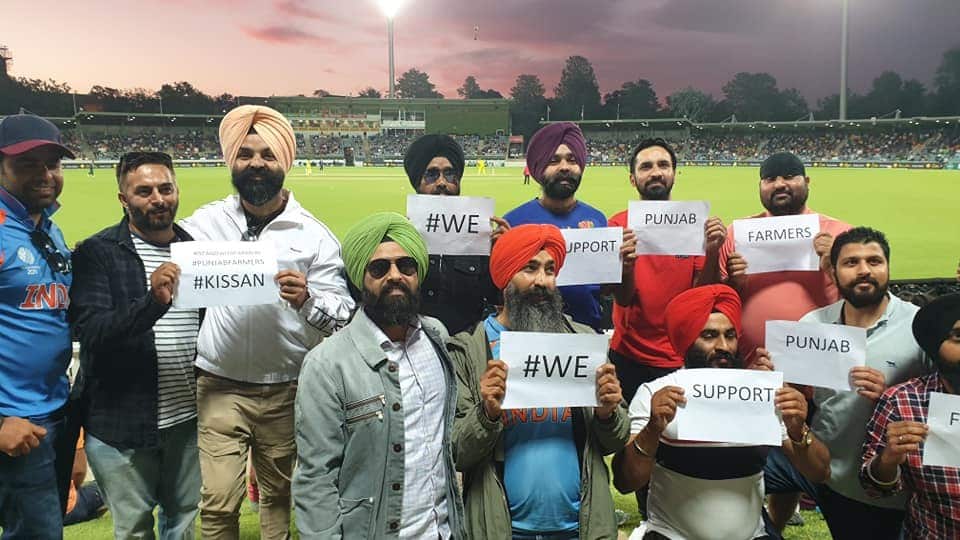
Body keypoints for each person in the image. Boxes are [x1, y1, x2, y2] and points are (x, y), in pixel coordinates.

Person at [179, 105, 355, 539]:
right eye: (245, 154)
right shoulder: (205, 223)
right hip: (218, 383)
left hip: (285, 387)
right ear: (232, 162)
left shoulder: (314, 234)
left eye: (267, 154)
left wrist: (309, 300)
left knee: (278, 496)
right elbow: (158, 254)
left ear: (284, 162)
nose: (256, 163)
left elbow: (343, 315)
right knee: (217, 501)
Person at [449, 224, 629, 539]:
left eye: (550, 270)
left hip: (580, 528)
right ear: (505, 277)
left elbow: (614, 441)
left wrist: (607, 413)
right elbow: (457, 453)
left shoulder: (583, 342)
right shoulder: (469, 350)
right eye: (529, 268)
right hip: (502, 530)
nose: (542, 281)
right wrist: (486, 414)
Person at [293, 212, 465, 539]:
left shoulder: (437, 338)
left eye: (406, 266)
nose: (395, 276)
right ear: (360, 279)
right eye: (379, 268)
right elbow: (315, 479)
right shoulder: (327, 365)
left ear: (419, 273)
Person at [612, 284, 831, 540]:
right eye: (709, 336)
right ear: (686, 340)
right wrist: (652, 429)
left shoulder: (760, 394)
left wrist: (798, 428)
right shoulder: (656, 393)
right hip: (672, 535)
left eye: (730, 335)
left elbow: (820, 472)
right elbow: (625, 482)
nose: (723, 346)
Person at [762, 227, 927, 538]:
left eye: (874, 261)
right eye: (851, 262)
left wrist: (891, 396)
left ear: (888, 267)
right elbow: (791, 391)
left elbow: (946, 400)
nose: (864, 270)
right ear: (833, 272)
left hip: (891, 486)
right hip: (826, 470)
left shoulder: (919, 326)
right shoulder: (813, 324)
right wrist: (772, 374)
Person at [69, 151, 201, 538]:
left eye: (165, 188)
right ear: (123, 199)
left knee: (183, 521)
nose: (158, 199)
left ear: (177, 191)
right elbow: (90, 331)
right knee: (133, 530)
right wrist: (152, 303)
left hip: (186, 420)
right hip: (119, 424)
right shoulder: (97, 253)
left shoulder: (194, 249)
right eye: (144, 191)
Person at [0, 114, 76, 539]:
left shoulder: (46, 227)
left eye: (53, 163)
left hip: (51, 412)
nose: (45, 174)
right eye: (28, 164)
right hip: (15, 421)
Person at [608, 137, 726, 402]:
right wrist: (626, 266)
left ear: (674, 173)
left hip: (680, 354)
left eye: (663, 165)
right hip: (628, 354)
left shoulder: (695, 224)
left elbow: (702, 296)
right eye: (646, 166)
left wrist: (713, 251)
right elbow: (623, 299)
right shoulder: (618, 226)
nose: (656, 172)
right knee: (626, 424)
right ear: (633, 179)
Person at [720, 152, 852, 362]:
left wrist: (833, 265)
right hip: (751, 364)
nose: (780, 184)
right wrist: (734, 283)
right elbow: (717, 301)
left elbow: (865, 301)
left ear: (807, 181)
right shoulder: (736, 234)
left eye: (789, 176)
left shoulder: (840, 234)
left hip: (822, 362)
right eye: (770, 179)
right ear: (760, 186)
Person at [861, 293, 960, 538]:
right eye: (959, 337)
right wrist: (889, 459)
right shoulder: (902, 401)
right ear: (934, 347)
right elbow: (874, 487)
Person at [504, 122, 608, 330]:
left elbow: (605, 290)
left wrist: (623, 265)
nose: (564, 167)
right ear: (539, 167)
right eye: (554, 160)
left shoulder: (598, 220)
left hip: (587, 337)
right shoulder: (513, 222)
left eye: (572, 159)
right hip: (529, 337)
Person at [403, 134, 505, 334]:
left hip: (468, 344)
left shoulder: (481, 236)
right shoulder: (400, 238)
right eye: (431, 174)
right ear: (417, 182)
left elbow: (499, 299)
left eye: (450, 174)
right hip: (414, 343)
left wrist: (504, 254)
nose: (442, 182)